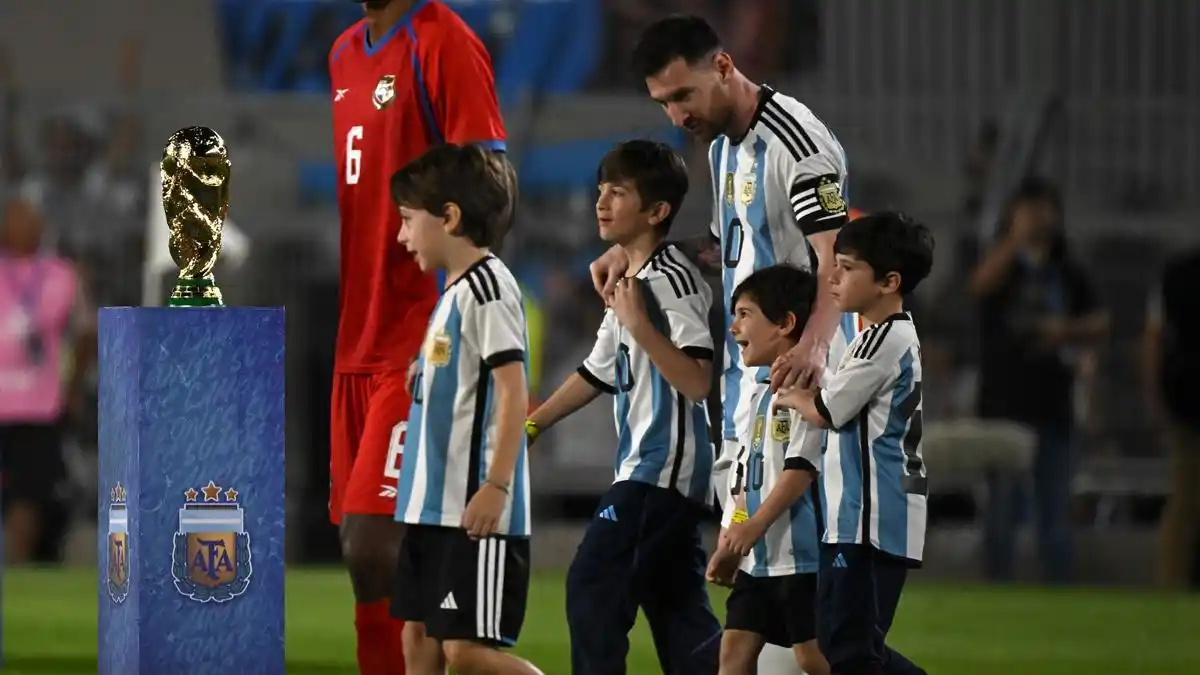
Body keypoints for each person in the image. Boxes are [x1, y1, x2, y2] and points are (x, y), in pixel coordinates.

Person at [328, 1, 513, 672]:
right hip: (357, 335)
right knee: (373, 562)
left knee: (372, 544)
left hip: (416, 339)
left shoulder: (443, 40)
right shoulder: (344, 52)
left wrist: (452, 321)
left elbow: (493, 187)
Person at [527, 140, 722, 674]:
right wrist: (531, 425)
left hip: (659, 470)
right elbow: (597, 370)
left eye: (618, 192)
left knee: (592, 585)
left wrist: (640, 326)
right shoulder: (632, 281)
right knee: (682, 619)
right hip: (657, 473)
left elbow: (698, 379)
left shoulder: (671, 282)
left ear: (657, 212)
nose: (601, 202)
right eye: (600, 190)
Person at [388, 144, 541, 675]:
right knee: (419, 641)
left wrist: (496, 487)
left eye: (408, 220)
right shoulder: (453, 293)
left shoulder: (490, 288)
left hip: (472, 513)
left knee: (467, 654)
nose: (402, 235)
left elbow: (512, 391)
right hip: (432, 508)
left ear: (449, 217)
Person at [777, 212, 934, 675]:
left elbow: (827, 410)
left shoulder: (883, 339)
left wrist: (793, 394)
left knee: (850, 650)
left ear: (889, 281)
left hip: (870, 517)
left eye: (846, 269)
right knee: (847, 644)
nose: (834, 278)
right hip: (861, 515)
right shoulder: (878, 337)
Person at [968, 177, 1108, 584]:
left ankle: (1058, 587)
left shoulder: (1068, 271)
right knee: (1002, 510)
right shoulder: (1003, 267)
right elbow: (978, 288)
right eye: (1029, 209)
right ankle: (996, 587)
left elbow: (1100, 321)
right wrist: (1015, 240)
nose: (1038, 218)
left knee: (1054, 508)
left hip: (1053, 403)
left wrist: (1062, 330)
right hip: (1003, 405)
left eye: (1045, 209)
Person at [706, 264, 830, 675]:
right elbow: (749, 477)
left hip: (803, 554)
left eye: (745, 314)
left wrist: (752, 526)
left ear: (785, 324)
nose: (734, 327)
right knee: (734, 653)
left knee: (813, 658)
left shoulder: (810, 387)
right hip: (761, 556)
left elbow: (800, 469)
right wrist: (731, 540)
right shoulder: (760, 394)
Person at [0, 198, 94, 563]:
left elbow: (86, 333)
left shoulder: (63, 275)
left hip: (38, 409)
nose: (21, 225)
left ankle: (15, 582)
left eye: (29, 219)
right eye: (13, 217)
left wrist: (70, 387)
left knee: (29, 500)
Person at [1143, 245, 1200, 589]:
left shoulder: (1177, 272)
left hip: (1186, 396)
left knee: (1186, 501)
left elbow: (1153, 338)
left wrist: (1156, 400)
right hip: (1190, 400)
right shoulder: (1177, 272)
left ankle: (1172, 582)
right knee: (1186, 500)